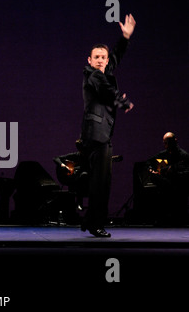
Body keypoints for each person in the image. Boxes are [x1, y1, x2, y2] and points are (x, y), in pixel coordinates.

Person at [79, 14, 136, 237]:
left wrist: (125, 37)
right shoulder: (93, 75)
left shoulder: (103, 69)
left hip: (100, 135)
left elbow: (116, 57)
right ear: (90, 60)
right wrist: (124, 102)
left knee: (100, 180)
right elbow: (106, 89)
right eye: (97, 57)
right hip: (96, 136)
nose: (102, 60)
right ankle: (95, 224)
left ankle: (90, 219)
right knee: (101, 182)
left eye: (103, 57)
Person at [145, 132, 189, 226]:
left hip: (178, 184)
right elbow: (149, 161)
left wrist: (174, 173)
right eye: (165, 143)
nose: (166, 145)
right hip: (166, 184)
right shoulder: (163, 154)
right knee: (155, 178)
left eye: (168, 142)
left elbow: (186, 173)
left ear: (175, 141)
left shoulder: (184, 155)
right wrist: (150, 169)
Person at [53, 139, 89, 210]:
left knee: (84, 175)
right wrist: (63, 165)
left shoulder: (90, 157)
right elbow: (56, 158)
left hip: (82, 179)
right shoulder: (76, 155)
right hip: (72, 179)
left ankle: (80, 202)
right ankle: (77, 203)